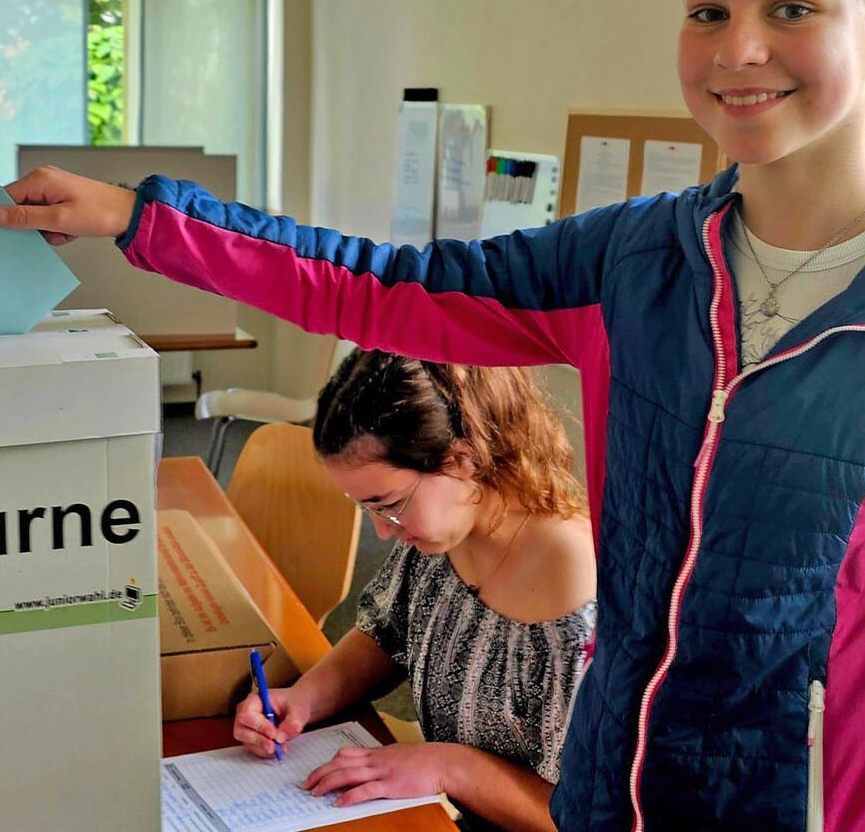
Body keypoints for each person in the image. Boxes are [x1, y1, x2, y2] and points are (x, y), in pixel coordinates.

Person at [0, 0, 865, 830]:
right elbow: (387, 285)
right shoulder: (639, 259)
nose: (739, 49)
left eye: (792, 6)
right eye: (707, 9)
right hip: (608, 798)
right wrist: (141, 220)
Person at [231, 349, 594, 831]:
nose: (382, 531)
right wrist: (305, 699)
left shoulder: (574, 588)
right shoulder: (446, 532)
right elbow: (386, 634)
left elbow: (587, 815)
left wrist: (449, 767)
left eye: (388, 504)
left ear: (463, 459)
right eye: (367, 509)